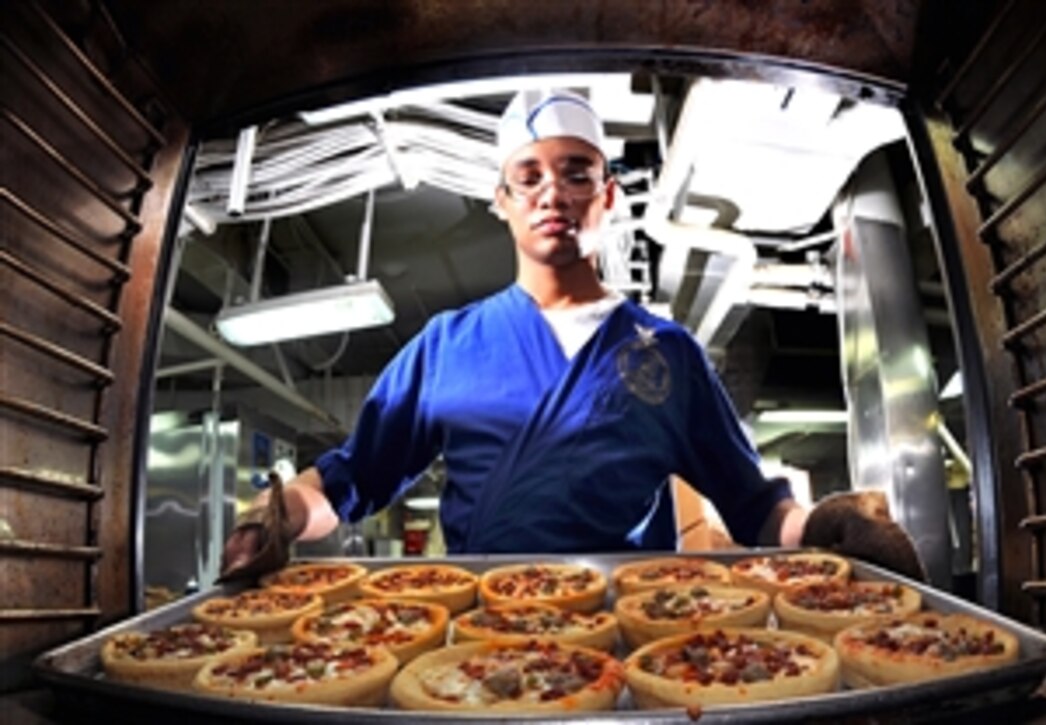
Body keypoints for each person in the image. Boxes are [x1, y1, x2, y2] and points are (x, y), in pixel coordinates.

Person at [221, 89, 922, 580]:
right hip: (479, 628)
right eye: (528, 177)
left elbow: (754, 506)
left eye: (576, 173)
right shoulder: (447, 345)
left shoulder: (667, 352)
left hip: (629, 633)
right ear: (502, 202)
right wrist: (279, 510)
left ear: (609, 195)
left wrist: (825, 525)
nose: (551, 192)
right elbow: (350, 478)